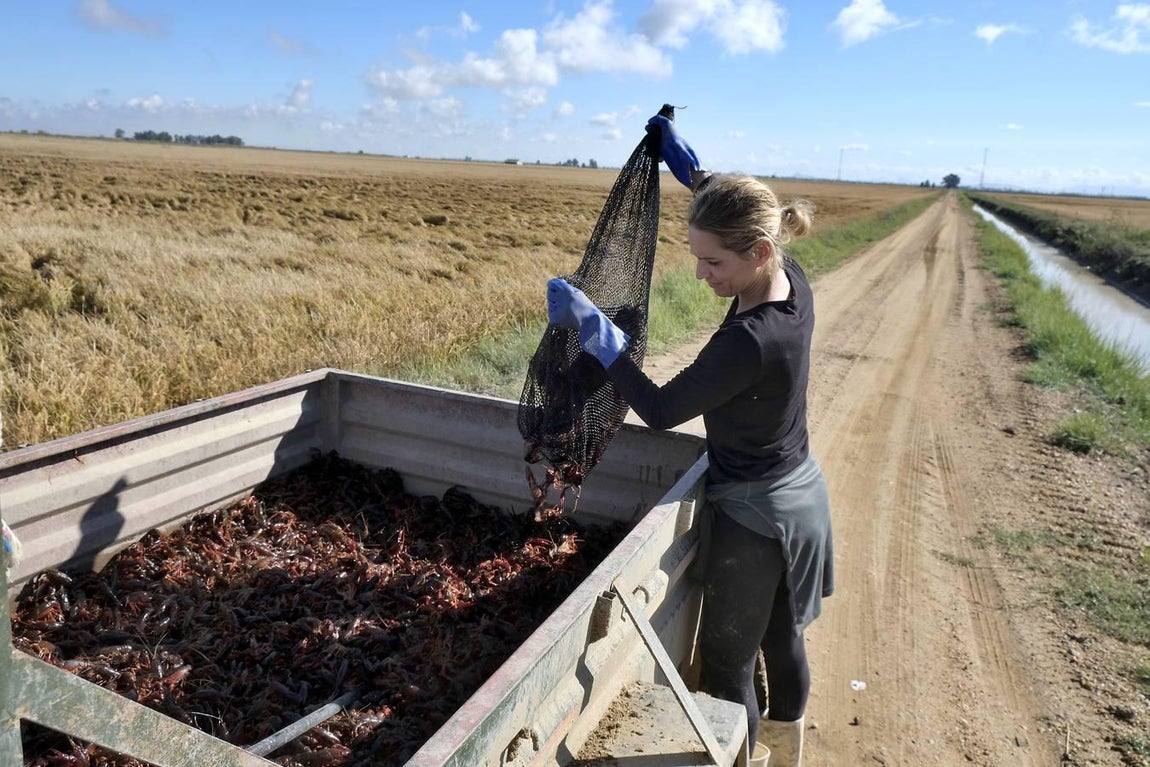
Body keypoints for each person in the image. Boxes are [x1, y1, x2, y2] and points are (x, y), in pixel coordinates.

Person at [546, 113, 833, 767]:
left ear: (757, 252)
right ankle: (786, 751)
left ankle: (742, 758)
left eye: (713, 261)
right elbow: (733, 207)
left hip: (756, 516)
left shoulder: (751, 342)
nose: (703, 274)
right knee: (784, 636)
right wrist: (691, 171)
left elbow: (662, 407)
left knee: (726, 667)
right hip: (801, 495)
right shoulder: (789, 278)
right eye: (697, 256)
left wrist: (600, 336)